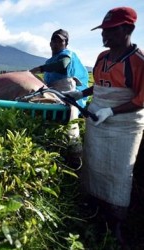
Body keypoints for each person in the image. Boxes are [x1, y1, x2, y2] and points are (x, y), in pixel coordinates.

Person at [67, 7, 144, 245]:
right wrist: (82, 92)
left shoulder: (137, 61)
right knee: (94, 165)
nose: (104, 36)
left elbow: (141, 99)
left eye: (111, 30)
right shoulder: (102, 58)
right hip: (98, 122)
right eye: (103, 30)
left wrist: (111, 110)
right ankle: (94, 211)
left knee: (120, 173)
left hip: (123, 127)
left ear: (128, 30)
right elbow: (100, 87)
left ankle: (118, 224)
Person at [30, 29, 89, 161]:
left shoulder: (67, 54)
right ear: (50, 43)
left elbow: (63, 65)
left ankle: (75, 150)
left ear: (66, 43)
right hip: (51, 91)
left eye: (60, 41)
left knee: (70, 118)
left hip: (66, 90)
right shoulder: (49, 61)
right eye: (54, 40)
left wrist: (39, 69)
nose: (56, 43)